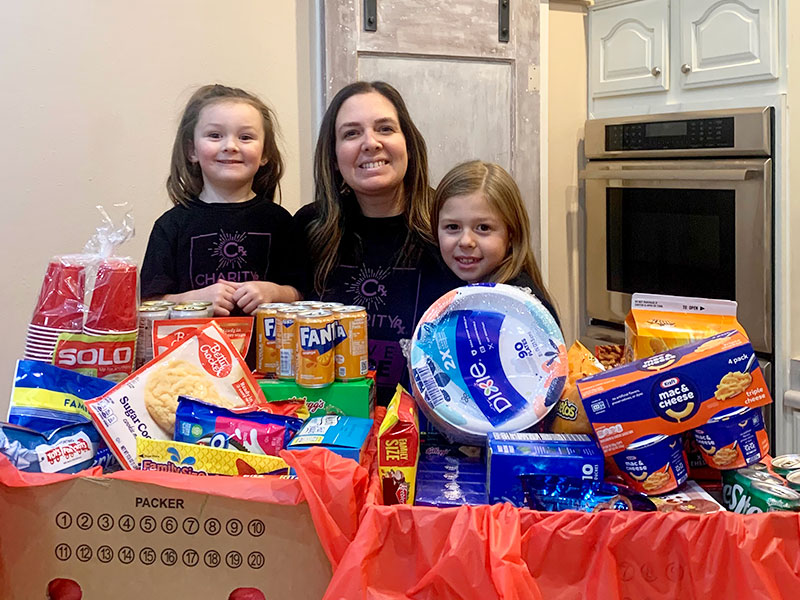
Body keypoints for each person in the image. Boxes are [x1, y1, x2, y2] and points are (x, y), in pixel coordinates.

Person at [294, 81, 461, 403]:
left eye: (385, 128)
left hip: (429, 425)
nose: (370, 143)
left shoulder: (450, 226)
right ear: (333, 154)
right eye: (351, 133)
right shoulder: (308, 227)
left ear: (408, 142)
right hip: (327, 420)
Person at [141, 84, 302, 316]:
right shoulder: (171, 226)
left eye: (245, 137)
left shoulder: (281, 222)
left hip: (268, 351)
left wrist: (274, 293)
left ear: (265, 153)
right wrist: (193, 300)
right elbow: (148, 302)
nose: (230, 146)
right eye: (215, 135)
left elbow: (302, 291)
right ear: (192, 151)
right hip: (189, 351)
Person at [432, 160, 560, 325]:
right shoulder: (465, 292)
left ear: (512, 234)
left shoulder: (518, 311)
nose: (465, 241)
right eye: (453, 227)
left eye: (483, 228)